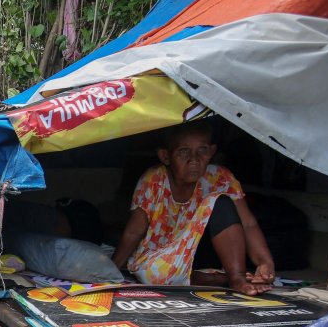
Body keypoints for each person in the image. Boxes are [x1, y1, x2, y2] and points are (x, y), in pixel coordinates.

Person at [111, 123, 275, 295]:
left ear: (211, 152)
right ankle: (215, 279)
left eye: (202, 151)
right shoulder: (153, 180)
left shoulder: (220, 178)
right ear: (166, 156)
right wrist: (112, 270)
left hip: (202, 253)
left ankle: (237, 278)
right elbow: (134, 232)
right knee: (153, 275)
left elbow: (248, 224)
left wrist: (265, 263)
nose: (194, 160)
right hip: (160, 257)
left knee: (220, 201)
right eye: (183, 152)